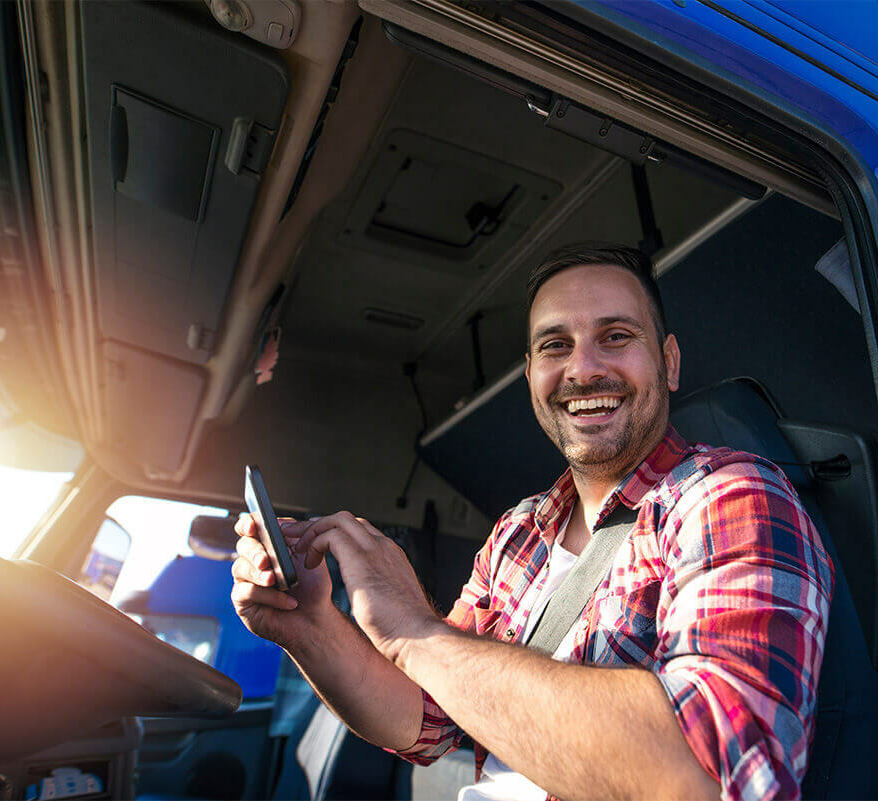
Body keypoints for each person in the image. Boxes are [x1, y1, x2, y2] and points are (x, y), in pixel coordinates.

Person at [232, 243, 834, 801]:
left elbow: (714, 776)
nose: (582, 369)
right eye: (555, 346)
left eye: (616, 336)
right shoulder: (519, 531)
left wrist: (415, 628)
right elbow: (430, 720)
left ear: (669, 363)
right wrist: (309, 626)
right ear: (530, 377)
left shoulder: (730, 496)